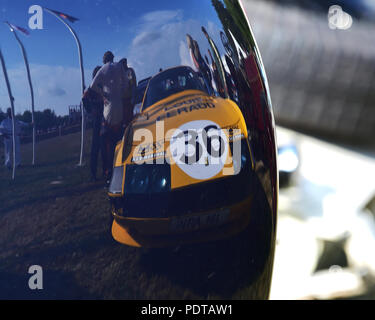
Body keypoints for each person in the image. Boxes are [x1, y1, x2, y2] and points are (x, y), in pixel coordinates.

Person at [85, 51, 132, 183]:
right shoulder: (116, 71)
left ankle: (109, 171)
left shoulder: (103, 79)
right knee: (102, 146)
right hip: (103, 117)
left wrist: (103, 96)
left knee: (107, 146)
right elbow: (87, 99)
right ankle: (101, 172)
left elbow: (92, 90)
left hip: (105, 117)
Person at [82, 66, 105, 181]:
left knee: (105, 145)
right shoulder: (91, 88)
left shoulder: (103, 85)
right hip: (97, 119)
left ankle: (106, 169)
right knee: (96, 146)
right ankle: (93, 173)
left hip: (105, 117)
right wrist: (91, 110)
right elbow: (84, 99)